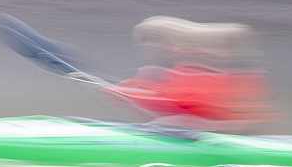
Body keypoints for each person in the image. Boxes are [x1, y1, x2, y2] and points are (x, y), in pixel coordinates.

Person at [103, 16, 274, 133]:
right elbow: (159, 104)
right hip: (178, 134)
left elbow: (253, 122)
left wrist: (203, 125)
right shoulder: (170, 73)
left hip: (220, 140)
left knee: (176, 122)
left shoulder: (240, 81)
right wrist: (121, 93)